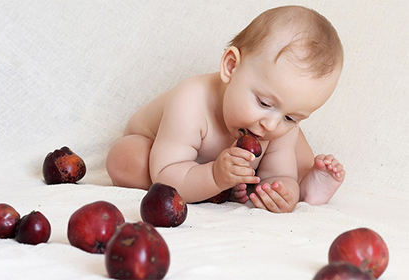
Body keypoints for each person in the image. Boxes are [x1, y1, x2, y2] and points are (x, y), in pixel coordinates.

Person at [106, 5, 345, 213]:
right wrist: (213, 177)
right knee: (127, 158)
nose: (271, 124)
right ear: (231, 67)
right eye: (263, 103)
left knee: (294, 144)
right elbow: (165, 175)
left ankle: (308, 186)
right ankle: (214, 187)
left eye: (291, 117)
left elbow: (278, 175)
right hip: (162, 154)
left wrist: (283, 192)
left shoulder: (274, 123)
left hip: (225, 169)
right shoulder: (190, 100)